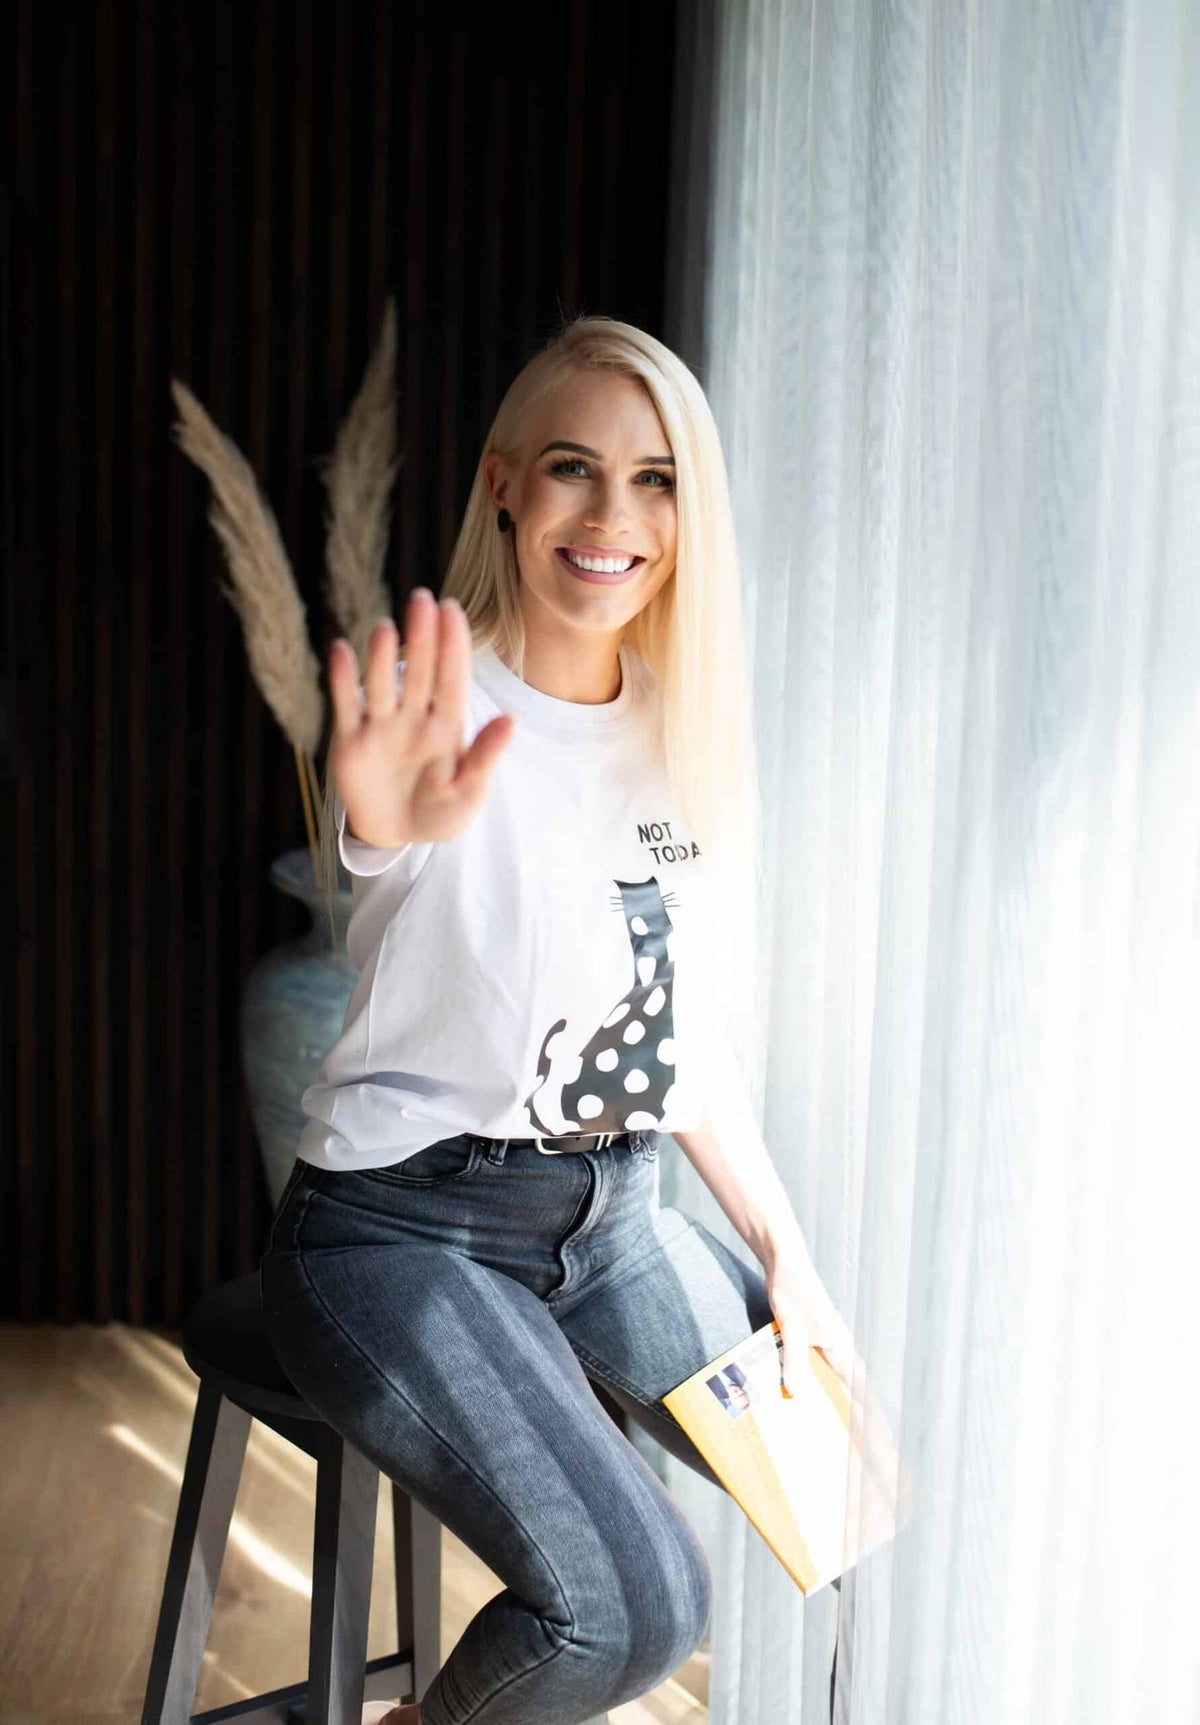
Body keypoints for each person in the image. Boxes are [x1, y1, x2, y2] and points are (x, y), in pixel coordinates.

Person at [259, 316, 853, 1725]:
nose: (612, 517)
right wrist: (376, 817)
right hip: (404, 1227)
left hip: (617, 1216)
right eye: (575, 468)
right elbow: (380, 832)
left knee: (833, 1478)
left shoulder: (677, 725)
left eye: (656, 479)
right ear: (504, 485)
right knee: (634, 1607)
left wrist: (790, 1255)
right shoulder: (437, 707)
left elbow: (678, 1037)